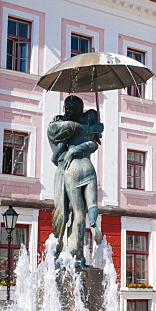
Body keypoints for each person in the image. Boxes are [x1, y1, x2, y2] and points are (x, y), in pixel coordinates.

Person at [47, 95, 104, 266]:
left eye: (75, 109)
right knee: (74, 213)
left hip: (69, 169)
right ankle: (75, 255)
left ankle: (64, 254)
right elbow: (70, 131)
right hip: (82, 168)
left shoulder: (63, 125)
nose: (72, 112)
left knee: (65, 214)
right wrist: (90, 128)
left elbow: (90, 143)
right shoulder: (64, 125)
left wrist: (89, 132)